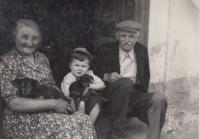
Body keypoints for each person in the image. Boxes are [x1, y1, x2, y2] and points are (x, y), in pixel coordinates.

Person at [0, 19, 96, 139]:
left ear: (39, 40)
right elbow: (14, 103)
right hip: (23, 119)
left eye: (34, 38)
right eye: (24, 37)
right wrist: (54, 103)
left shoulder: (42, 58)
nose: (30, 42)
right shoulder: (5, 62)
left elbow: (51, 85)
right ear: (14, 37)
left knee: (84, 120)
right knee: (70, 124)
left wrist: (65, 99)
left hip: (49, 111)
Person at [94, 20, 168, 139]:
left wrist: (140, 96)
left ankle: (153, 137)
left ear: (137, 37)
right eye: (123, 35)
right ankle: (116, 133)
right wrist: (106, 76)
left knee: (159, 99)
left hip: (134, 95)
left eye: (131, 36)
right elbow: (92, 70)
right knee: (125, 83)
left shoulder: (142, 50)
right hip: (112, 95)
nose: (127, 40)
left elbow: (145, 77)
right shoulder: (105, 49)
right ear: (117, 36)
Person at [61, 47, 106, 124]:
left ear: (88, 68)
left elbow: (102, 85)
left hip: (88, 99)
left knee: (96, 102)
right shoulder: (69, 78)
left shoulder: (89, 74)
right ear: (70, 66)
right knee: (80, 104)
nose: (80, 69)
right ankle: (79, 123)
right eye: (76, 65)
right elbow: (66, 93)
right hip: (73, 99)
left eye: (83, 66)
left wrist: (90, 86)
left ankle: (90, 124)